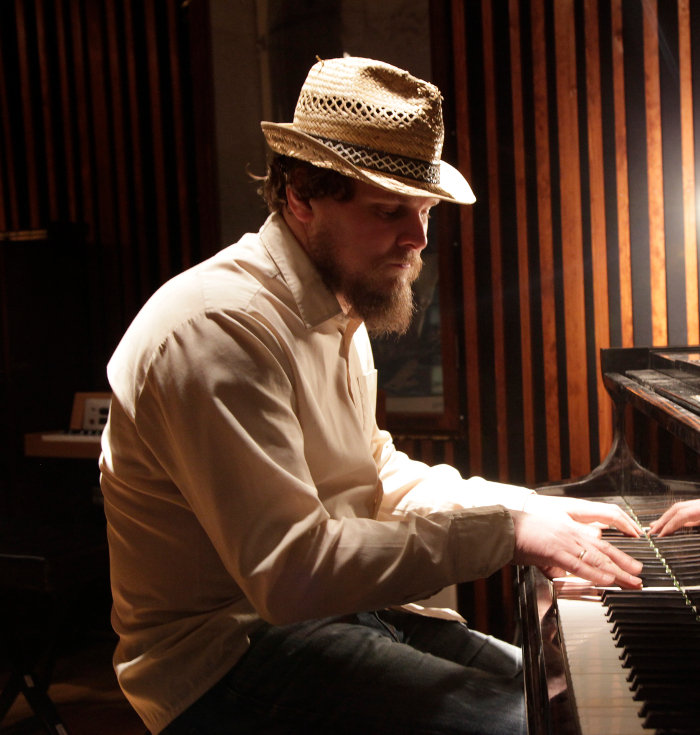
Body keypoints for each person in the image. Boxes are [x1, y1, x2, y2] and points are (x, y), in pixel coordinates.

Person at [99, 57, 643, 735]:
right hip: (224, 655)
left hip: (329, 617)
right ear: (300, 195)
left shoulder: (336, 307)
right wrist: (504, 535)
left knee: (566, 694)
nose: (418, 240)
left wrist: (524, 507)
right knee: (544, 725)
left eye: (424, 211)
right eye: (390, 211)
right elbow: (290, 572)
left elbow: (376, 473)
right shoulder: (219, 327)